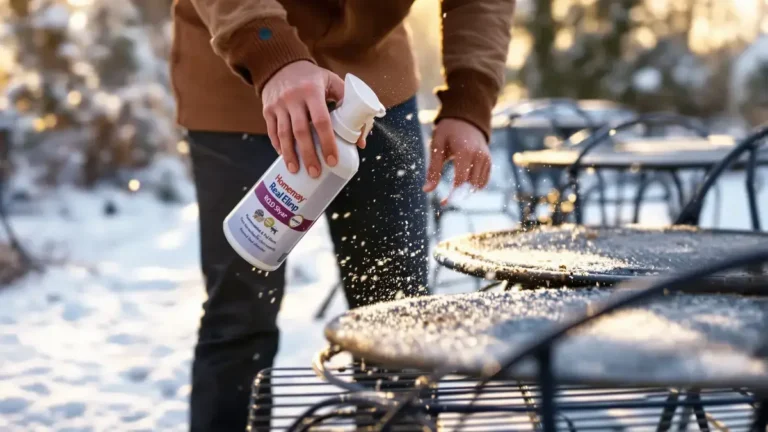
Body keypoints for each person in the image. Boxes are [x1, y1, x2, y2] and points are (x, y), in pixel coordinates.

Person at [169, 0, 516, 430]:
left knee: (395, 313)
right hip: (237, 74)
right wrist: (267, 48)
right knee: (240, 314)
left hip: (374, 85)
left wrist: (470, 98)